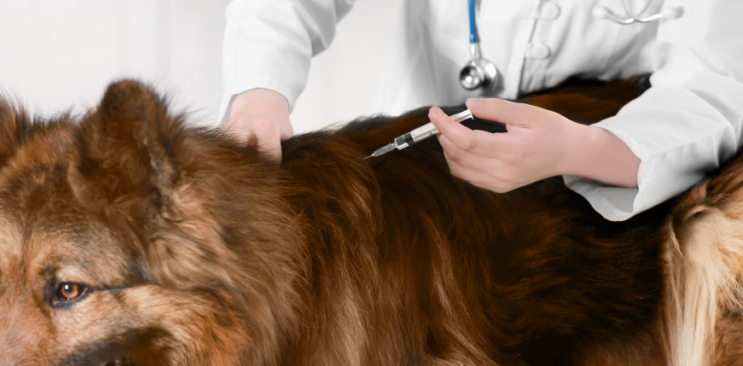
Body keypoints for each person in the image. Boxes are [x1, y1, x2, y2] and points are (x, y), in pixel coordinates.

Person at [219, 0, 743, 221]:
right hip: (417, 173)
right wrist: (259, 91)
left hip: (601, 189)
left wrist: (579, 150)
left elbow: (714, 86)